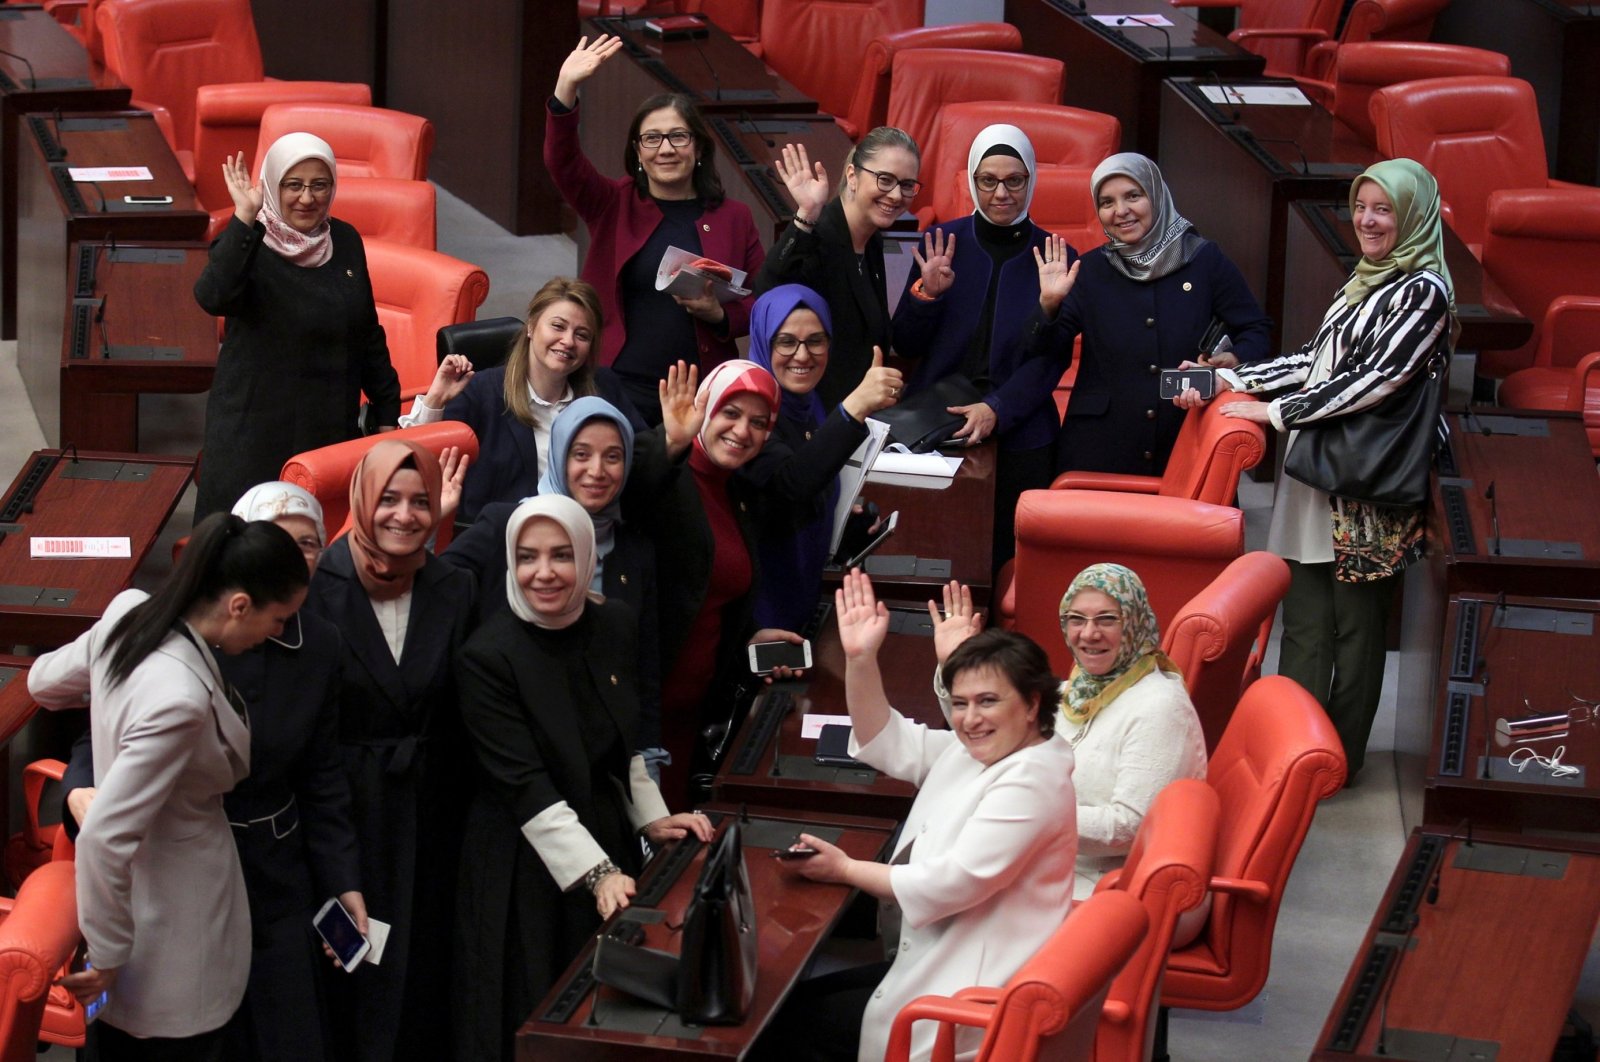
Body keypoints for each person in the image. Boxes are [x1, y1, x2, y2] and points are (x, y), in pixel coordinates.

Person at [60, 484, 364, 1062]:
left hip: (271, 874)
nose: (295, 557)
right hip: (167, 883)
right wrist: (79, 790)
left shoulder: (320, 644)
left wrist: (341, 876)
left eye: (308, 544)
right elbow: (98, 732)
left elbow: (323, 775)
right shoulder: (171, 639)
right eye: (280, 541)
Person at [1185, 158, 1455, 778]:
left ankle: (1339, 761)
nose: (1367, 220)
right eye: (1361, 207)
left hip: (1367, 486)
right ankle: (1291, 754)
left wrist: (1277, 415)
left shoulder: (1423, 291)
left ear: (1413, 216)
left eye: (1383, 209)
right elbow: (1314, 362)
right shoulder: (1363, 281)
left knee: (1357, 633)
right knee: (1304, 620)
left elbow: (1374, 382)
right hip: (1316, 476)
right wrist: (1228, 379)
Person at [763, 570, 1077, 1062]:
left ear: (1033, 703)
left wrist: (845, 870)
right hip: (927, 953)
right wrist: (861, 659)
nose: (970, 719)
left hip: (965, 998)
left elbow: (949, 884)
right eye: (961, 704)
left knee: (781, 1027)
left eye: (988, 701)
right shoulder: (985, 748)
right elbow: (887, 739)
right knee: (788, 1006)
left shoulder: (1034, 779)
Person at [452, 494, 714, 1061]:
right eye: (526, 557)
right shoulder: (486, 657)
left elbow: (623, 744)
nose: (542, 573)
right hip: (525, 859)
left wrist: (652, 817)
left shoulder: (613, 621)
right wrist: (597, 875)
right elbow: (525, 787)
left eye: (560, 555)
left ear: (587, 556)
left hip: (603, 838)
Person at [301, 440, 476, 1062]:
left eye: (421, 503)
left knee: (425, 977)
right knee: (353, 982)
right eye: (390, 500)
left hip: (432, 815)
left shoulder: (454, 587)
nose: (404, 515)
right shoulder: (318, 588)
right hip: (347, 816)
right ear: (362, 501)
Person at [928, 567, 1206, 899]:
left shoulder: (1160, 707)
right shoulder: (1077, 688)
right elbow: (991, 734)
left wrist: (1023, 809)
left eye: (1106, 620)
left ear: (1133, 623)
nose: (1088, 634)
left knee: (947, 887)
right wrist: (955, 667)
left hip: (1105, 889)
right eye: (1077, 619)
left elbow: (1130, 828)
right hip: (1051, 862)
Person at [546, 34, 765, 422]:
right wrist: (567, 87)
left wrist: (718, 314)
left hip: (703, 391)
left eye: (678, 137)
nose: (666, 149)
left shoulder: (735, 217)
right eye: (651, 139)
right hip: (619, 384)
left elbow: (761, 304)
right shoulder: (613, 203)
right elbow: (562, 161)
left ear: (698, 148)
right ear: (638, 152)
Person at [441, 397, 665, 769]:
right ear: (559, 456)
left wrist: (648, 766)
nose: (597, 470)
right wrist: (436, 526)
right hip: (512, 757)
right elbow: (436, 592)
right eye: (581, 454)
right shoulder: (507, 525)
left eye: (613, 456)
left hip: (601, 761)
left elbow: (642, 673)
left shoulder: (635, 550)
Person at [892, 124, 1077, 571]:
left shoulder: (1057, 256)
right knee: (932, 553)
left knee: (1009, 561)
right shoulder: (941, 243)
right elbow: (904, 342)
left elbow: (1052, 359)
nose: (1001, 193)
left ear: (1030, 180)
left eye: (1014, 180)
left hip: (1021, 425)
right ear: (973, 179)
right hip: (936, 422)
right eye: (987, 180)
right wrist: (926, 296)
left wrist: (996, 408)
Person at [193, 133, 400, 521]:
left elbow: (366, 332)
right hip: (253, 433)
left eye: (319, 185)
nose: (307, 198)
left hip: (327, 429)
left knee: (314, 543)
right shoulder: (249, 241)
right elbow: (212, 296)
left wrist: (386, 409)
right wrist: (244, 218)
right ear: (273, 186)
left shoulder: (344, 239)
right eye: (293, 185)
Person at [1025, 152, 1271, 477]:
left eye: (1133, 196)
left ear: (1156, 195)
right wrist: (1049, 305)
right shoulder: (1091, 270)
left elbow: (1257, 330)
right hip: (1099, 447)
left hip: (1183, 436)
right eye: (1107, 202)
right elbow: (1045, 349)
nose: (1121, 211)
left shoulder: (1204, 260)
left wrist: (1235, 360)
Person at [637, 359, 807, 806]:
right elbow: (632, 492)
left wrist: (751, 634)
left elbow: (706, 590)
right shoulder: (668, 475)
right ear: (704, 409)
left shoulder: (736, 492)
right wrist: (669, 441)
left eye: (758, 421)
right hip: (640, 720)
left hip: (689, 717)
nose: (742, 431)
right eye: (730, 413)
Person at [400, 277, 642, 524]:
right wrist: (436, 400)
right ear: (531, 327)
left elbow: (639, 454)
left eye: (582, 335)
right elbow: (416, 464)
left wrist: (672, 441)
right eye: (558, 326)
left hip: (587, 531)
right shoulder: (480, 392)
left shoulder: (603, 387)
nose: (568, 341)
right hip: (499, 541)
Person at [743, 283, 901, 631]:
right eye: (786, 341)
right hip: (758, 618)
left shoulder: (809, 403)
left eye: (816, 340)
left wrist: (847, 522)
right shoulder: (747, 408)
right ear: (762, 341)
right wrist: (855, 407)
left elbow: (813, 485)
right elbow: (789, 485)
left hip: (804, 596)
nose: (802, 355)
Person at [757, 127, 922, 408]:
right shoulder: (819, 233)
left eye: (907, 185)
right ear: (852, 176)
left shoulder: (872, 242)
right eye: (885, 180)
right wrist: (805, 215)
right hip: (815, 417)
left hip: (857, 417)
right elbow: (767, 292)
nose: (896, 195)